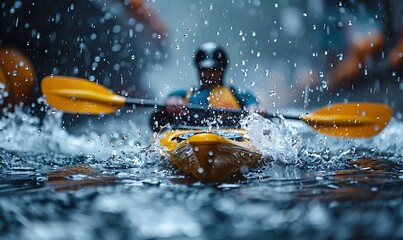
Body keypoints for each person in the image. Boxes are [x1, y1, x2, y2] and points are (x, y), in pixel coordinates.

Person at [0, 0, 168, 132]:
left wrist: (142, 11)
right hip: (31, 28)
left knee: (123, 46)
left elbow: (157, 36)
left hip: (60, 25)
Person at [150, 42, 264, 132]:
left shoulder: (240, 95)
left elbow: (252, 103)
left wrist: (255, 109)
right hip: (190, 139)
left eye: (214, 70)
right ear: (198, 70)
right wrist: (170, 104)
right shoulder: (183, 94)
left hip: (230, 139)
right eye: (204, 70)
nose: (209, 74)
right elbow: (157, 120)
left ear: (222, 70)